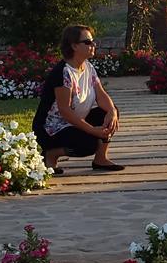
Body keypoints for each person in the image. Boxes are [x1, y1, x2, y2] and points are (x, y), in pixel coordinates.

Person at [32, 25, 124, 174]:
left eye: (93, 41)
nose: (93, 45)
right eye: (87, 42)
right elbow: (65, 111)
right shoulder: (63, 73)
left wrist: (112, 111)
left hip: (75, 121)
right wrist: (93, 130)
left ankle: (101, 159)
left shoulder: (88, 67)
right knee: (88, 144)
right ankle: (51, 153)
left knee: (108, 113)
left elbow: (101, 95)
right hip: (52, 129)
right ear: (74, 46)